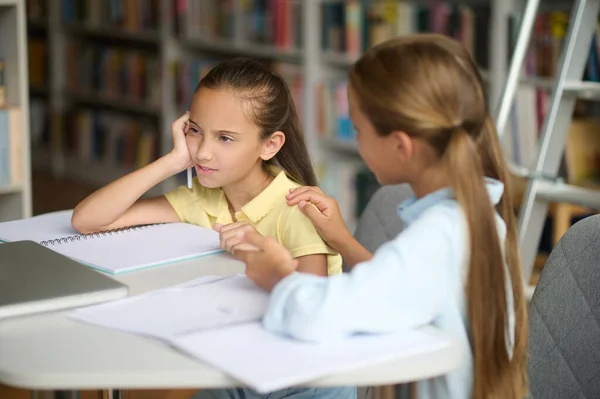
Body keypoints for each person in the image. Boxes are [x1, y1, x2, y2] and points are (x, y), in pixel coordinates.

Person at [231, 34, 529, 399]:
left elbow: (316, 318)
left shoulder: (438, 236)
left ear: (401, 146)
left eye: (359, 130)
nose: (356, 141)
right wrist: (341, 239)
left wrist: (278, 275)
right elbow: (410, 289)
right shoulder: (472, 217)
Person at [71, 57, 342, 278]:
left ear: (269, 145)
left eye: (225, 138)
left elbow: (311, 300)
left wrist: (262, 252)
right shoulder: (199, 198)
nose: (202, 153)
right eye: (196, 130)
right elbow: (88, 221)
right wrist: (172, 161)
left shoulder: (297, 209)